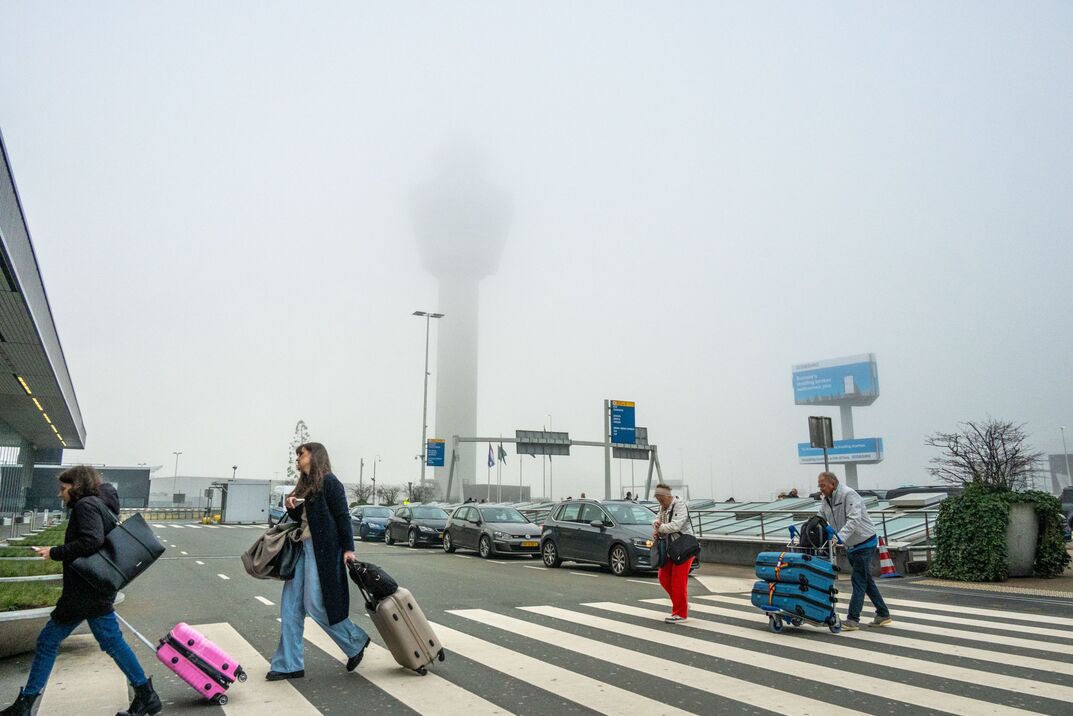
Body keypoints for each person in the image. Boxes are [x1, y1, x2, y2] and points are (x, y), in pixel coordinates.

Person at [1, 466, 161, 716]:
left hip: (85, 593)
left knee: (49, 641)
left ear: (76, 487)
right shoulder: (96, 503)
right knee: (110, 642)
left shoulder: (85, 506)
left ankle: (25, 704)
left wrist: (55, 552)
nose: (59, 494)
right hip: (92, 590)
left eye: (63, 489)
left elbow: (91, 541)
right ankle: (145, 694)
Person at [268, 443, 370, 680]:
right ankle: (288, 664)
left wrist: (348, 549)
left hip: (323, 550)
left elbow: (343, 516)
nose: (297, 459)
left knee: (314, 604)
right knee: (290, 607)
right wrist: (292, 506)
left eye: (301, 454)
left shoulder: (330, 482)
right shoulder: (304, 486)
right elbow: (303, 521)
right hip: (302, 549)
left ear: (314, 456)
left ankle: (355, 640)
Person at [817, 472, 892, 631]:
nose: (820, 488)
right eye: (819, 485)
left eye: (822, 485)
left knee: (858, 580)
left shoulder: (849, 495)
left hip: (865, 542)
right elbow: (820, 518)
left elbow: (854, 519)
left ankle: (853, 619)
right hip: (851, 545)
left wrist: (839, 538)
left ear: (833, 484)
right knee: (866, 581)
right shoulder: (826, 500)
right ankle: (883, 613)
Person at [652, 483, 694, 624]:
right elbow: (657, 519)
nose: (660, 503)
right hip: (671, 548)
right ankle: (681, 603)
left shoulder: (679, 505)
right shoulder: (663, 507)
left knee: (678, 581)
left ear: (668, 497)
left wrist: (660, 527)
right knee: (663, 577)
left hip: (684, 548)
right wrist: (656, 524)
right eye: (658, 500)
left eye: (661, 500)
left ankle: (680, 613)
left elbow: (676, 525)